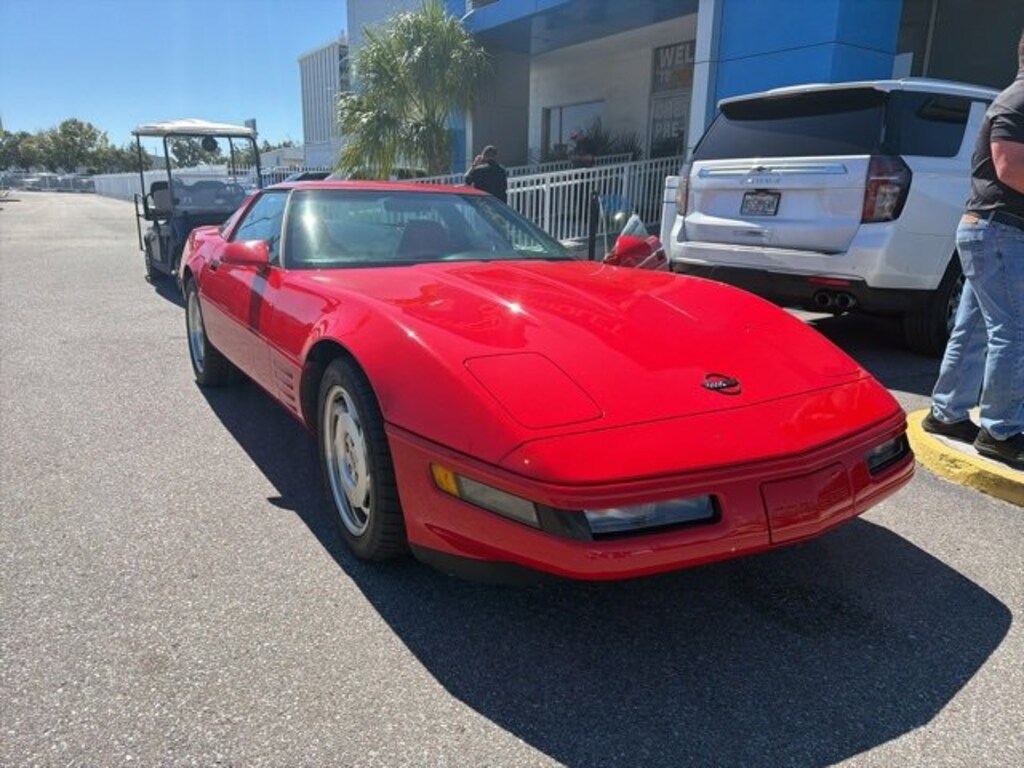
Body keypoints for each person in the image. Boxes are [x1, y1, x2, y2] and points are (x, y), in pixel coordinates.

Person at [924, 30, 1024, 468]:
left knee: (976, 328)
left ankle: (947, 413)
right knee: (1014, 330)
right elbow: (1009, 167)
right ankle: (1002, 431)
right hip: (1001, 230)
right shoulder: (1019, 99)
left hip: (990, 230)